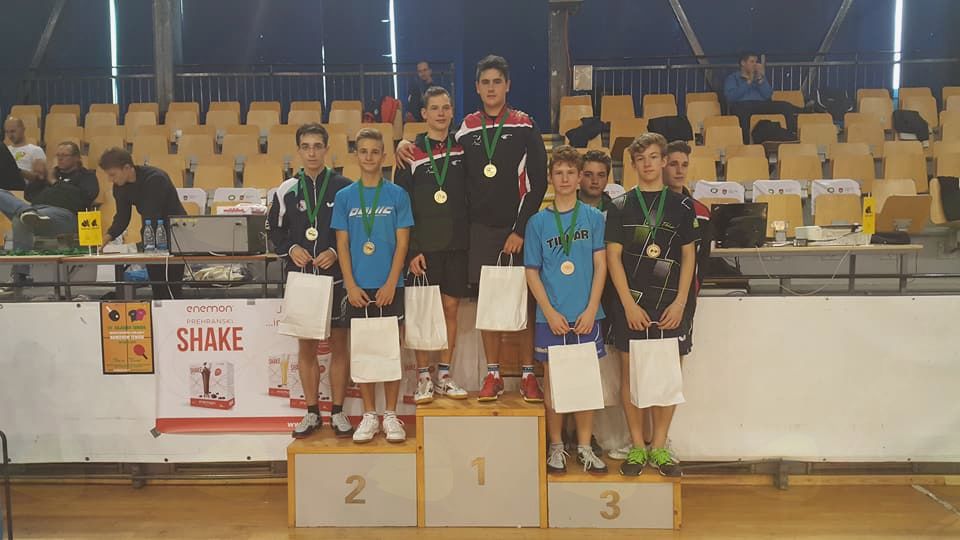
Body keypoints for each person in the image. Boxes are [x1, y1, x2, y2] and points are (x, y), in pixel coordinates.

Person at [399, 54, 548, 402]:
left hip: (516, 230)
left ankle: (528, 374)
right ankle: (493, 374)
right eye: (485, 82)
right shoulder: (466, 128)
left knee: (523, 303)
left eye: (497, 82)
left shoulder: (525, 125)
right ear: (477, 88)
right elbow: (436, 149)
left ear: (507, 85)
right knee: (488, 304)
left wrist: (520, 229)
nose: (491, 88)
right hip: (479, 231)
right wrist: (405, 143)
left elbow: (538, 183)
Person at [605, 133, 696, 477]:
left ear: (663, 161)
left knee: (668, 376)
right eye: (641, 159)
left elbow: (689, 257)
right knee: (630, 375)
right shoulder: (619, 206)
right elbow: (613, 258)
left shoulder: (682, 206)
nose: (648, 164)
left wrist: (681, 302)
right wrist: (628, 304)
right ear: (633, 164)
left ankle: (659, 446)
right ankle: (637, 446)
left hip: (671, 304)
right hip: (632, 304)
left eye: (654, 157)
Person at [268, 123, 355, 439]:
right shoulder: (286, 189)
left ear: (327, 149)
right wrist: (291, 249)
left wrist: (334, 252)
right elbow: (273, 230)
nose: (312, 152)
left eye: (318, 146)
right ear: (298, 150)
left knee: (339, 345)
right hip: (303, 279)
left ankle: (338, 411)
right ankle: (312, 412)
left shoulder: (344, 188)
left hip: (336, 279)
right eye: (306, 146)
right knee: (306, 347)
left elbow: (354, 231)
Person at [525, 145, 608, 474]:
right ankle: (556, 445)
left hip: (587, 315)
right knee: (554, 383)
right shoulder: (537, 222)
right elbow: (532, 271)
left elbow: (601, 266)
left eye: (570, 173)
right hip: (551, 316)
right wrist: (548, 311)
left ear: (579, 178)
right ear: (550, 178)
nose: (564, 178)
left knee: (586, 383)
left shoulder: (593, 218)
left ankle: (584, 446)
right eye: (558, 173)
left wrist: (591, 308)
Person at [332, 127, 413, 444]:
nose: (369, 157)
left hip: (390, 285)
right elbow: (342, 244)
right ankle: (369, 414)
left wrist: (392, 282)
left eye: (375, 152)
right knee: (364, 351)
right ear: (356, 155)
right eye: (363, 151)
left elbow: (402, 244)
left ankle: (390, 414)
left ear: (384, 156)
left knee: (390, 351)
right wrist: (350, 286)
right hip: (358, 287)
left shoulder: (397, 195)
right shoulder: (344, 197)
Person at [395, 86, 469, 404]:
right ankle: (423, 376)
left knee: (450, 309)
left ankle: (444, 376)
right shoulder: (410, 153)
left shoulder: (464, 149)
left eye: (446, 107)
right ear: (424, 113)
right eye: (435, 108)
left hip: (456, 244)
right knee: (424, 313)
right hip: (423, 248)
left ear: (452, 112)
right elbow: (402, 206)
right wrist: (412, 250)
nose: (441, 113)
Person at [0, 141, 98, 294]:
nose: (60, 159)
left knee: (20, 219)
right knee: (14, 209)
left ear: (77, 158)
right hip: (37, 211)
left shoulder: (86, 176)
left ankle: (19, 276)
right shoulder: (50, 173)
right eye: (58, 155)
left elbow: (85, 197)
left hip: (65, 216)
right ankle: (20, 276)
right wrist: (38, 178)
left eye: (64, 155)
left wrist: (54, 182)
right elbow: (29, 195)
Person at [99, 147, 186, 300]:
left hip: (176, 233)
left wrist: (143, 244)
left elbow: (152, 215)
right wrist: (106, 238)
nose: (110, 179)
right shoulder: (120, 186)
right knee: (158, 290)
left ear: (127, 168)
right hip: (152, 234)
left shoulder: (155, 179)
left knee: (172, 290)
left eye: (112, 174)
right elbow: (122, 217)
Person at [723, 52, 798, 142]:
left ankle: (791, 136)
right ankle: (745, 142)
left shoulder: (760, 77)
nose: (755, 65)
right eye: (752, 62)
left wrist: (760, 80)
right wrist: (748, 82)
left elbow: (768, 94)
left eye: (756, 62)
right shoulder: (733, 78)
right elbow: (731, 97)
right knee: (742, 111)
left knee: (785, 106)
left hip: (761, 104)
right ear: (743, 63)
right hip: (742, 105)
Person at [4, 117, 46, 184]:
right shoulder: (5, 150)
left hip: (24, 187)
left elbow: (40, 178)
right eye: (7, 132)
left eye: (13, 131)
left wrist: (17, 170)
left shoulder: (35, 150)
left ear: (23, 129)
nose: (10, 136)